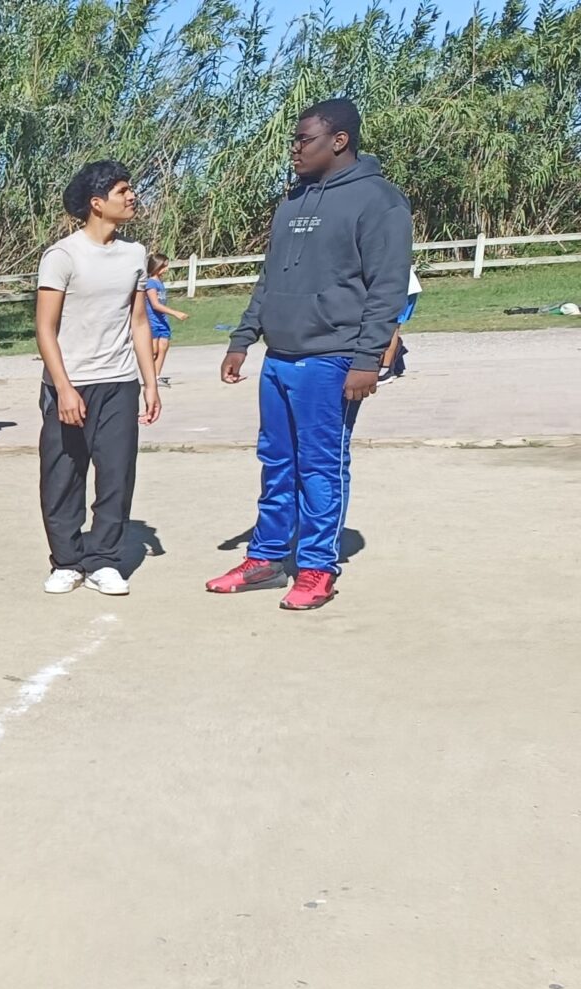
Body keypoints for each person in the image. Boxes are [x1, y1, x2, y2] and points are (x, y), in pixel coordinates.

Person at [208, 98, 412, 612]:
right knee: (276, 462)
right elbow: (270, 277)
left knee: (320, 466)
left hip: (332, 357)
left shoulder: (379, 201)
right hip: (279, 356)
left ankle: (318, 567)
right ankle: (266, 557)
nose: (294, 150)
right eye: (294, 141)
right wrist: (243, 338)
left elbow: (388, 288)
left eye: (304, 140)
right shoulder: (293, 201)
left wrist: (367, 360)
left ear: (339, 141)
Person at [32, 162, 159, 597]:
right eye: (123, 190)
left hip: (119, 382)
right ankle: (67, 561)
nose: (132, 196)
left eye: (130, 188)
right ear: (97, 203)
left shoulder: (135, 254)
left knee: (116, 475)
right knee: (63, 477)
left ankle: (103, 559)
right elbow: (45, 328)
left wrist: (149, 382)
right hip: (70, 382)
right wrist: (64, 388)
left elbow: (138, 321)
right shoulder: (62, 256)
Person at [143, 254, 190, 387]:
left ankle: (156, 376)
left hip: (162, 320)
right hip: (152, 321)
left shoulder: (160, 282)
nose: (166, 269)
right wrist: (175, 313)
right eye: (164, 266)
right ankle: (149, 378)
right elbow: (155, 305)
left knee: (163, 347)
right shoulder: (151, 283)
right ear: (156, 267)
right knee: (153, 351)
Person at [380, 266, 420, 380]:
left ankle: (386, 369)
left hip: (399, 288)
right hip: (396, 286)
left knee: (391, 325)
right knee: (387, 325)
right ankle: (396, 356)